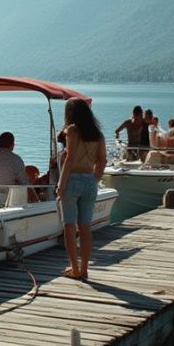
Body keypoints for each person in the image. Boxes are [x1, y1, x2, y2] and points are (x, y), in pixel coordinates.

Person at [57, 98, 107, 280]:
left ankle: (74, 268)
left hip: (72, 180)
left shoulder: (72, 130)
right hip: (89, 180)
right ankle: (84, 268)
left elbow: (69, 159)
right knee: (85, 228)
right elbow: (102, 161)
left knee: (69, 226)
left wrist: (61, 185)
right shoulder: (98, 134)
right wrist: (95, 179)